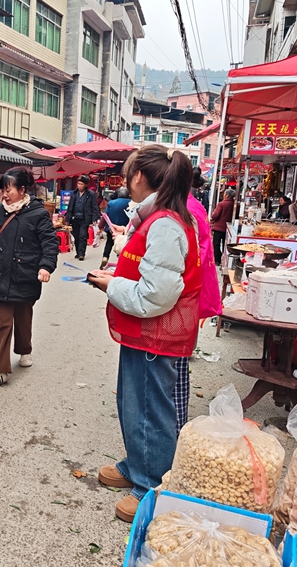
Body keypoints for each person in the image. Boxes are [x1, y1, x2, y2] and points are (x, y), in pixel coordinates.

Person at [88, 146, 200, 522]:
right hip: (146, 334)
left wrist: (111, 287)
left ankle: (153, 485)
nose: (124, 181)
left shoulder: (165, 224)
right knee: (134, 404)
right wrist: (117, 279)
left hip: (157, 335)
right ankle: (137, 466)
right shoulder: (157, 218)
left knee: (152, 410)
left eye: (126, 174)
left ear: (139, 177)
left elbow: (155, 297)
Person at [0, 167, 59, 388]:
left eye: (9, 190)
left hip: (25, 275)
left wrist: (46, 266)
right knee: (1, 322)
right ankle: (0, 370)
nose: (5, 195)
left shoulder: (38, 213)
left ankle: (25, 349)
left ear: (22, 189)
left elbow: (49, 243)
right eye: (3, 190)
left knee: (23, 318)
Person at [173, 175, 222, 435]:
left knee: (174, 360)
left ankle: (175, 421)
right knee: (179, 358)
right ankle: (177, 417)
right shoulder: (194, 206)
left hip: (183, 290)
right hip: (190, 287)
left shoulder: (183, 209)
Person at [64, 175, 100, 261]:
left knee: (82, 236)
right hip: (75, 218)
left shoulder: (91, 194)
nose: (79, 185)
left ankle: (81, 254)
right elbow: (70, 207)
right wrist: (67, 219)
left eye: (81, 184)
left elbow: (95, 207)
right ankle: (78, 252)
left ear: (86, 185)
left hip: (85, 218)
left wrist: (95, 218)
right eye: (78, 183)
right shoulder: (74, 194)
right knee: (76, 236)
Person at [101, 187, 131, 269]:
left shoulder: (111, 203)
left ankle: (105, 257)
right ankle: (120, 260)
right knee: (124, 245)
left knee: (109, 242)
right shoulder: (131, 203)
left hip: (112, 227)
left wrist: (101, 226)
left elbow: (105, 216)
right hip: (124, 228)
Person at [210, 188, 235, 266]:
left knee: (216, 244)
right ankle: (225, 260)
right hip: (228, 228)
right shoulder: (235, 205)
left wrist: (212, 215)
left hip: (218, 228)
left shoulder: (221, 204)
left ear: (227, 195)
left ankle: (217, 260)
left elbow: (215, 215)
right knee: (225, 244)